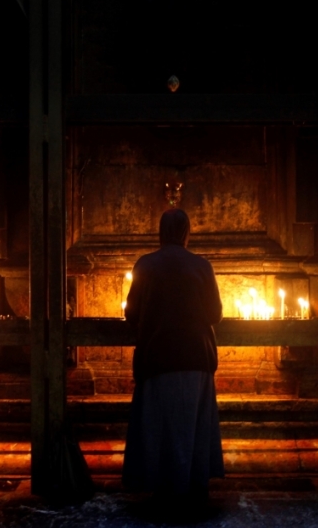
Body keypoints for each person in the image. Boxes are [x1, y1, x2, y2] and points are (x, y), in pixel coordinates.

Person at [122, 208, 224, 514]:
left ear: (160, 232)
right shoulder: (201, 266)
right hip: (195, 356)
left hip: (157, 357)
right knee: (192, 424)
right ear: (186, 233)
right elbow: (216, 314)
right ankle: (194, 486)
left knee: (159, 426)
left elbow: (131, 313)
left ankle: (162, 487)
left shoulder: (145, 265)